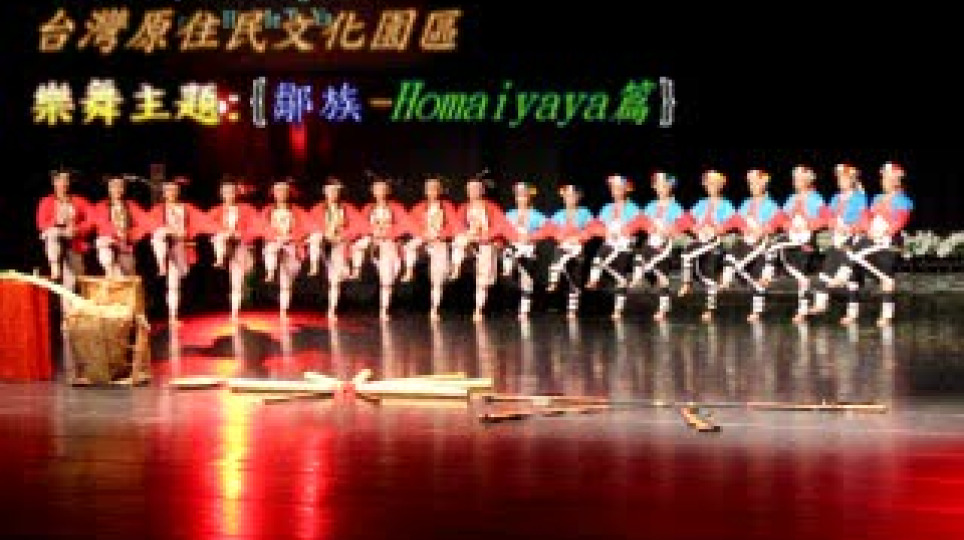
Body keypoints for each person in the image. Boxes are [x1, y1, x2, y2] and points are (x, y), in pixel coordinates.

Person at [836, 162, 913, 326]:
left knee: (886, 277)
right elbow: (866, 218)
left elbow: (900, 220)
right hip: (871, 239)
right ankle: (852, 311)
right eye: (883, 178)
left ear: (896, 181)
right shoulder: (877, 198)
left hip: (889, 241)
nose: (883, 181)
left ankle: (887, 314)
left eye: (887, 178)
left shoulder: (903, 200)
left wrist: (886, 231)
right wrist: (863, 225)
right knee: (852, 253)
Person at [762, 165, 829, 323]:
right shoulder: (791, 199)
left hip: (807, 240)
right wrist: (776, 225)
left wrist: (808, 225)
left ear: (807, 180)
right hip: (791, 238)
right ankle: (768, 272)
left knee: (800, 270)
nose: (795, 181)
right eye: (795, 179)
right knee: (773, 243)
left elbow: (826, 219)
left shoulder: (816, 198)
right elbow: (781, 217)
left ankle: (802, 310)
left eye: (799, 179)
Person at [719, 169, 785, 322]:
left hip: (761, 244)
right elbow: (736, 219)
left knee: (758, 275)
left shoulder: (771, 204)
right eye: (751, 184)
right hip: (746, 242)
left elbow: (780, 219)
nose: (752, 186)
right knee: (731, 254)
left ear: (763, 185)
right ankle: (726, 279)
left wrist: (764, 229)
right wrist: (726, 227)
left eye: (756, 183)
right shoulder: (746, 203)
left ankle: (757, 310)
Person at [807, 163, 870, 322]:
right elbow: (828, 216)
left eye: (845, 178)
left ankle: (852, 313)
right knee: (826, 270)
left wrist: (850, 228)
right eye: (839, 178)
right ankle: (820, 304)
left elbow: (864, 220)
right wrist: (830, 222)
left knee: (851, 278)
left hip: (853, 238)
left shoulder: (860, 198)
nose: (841, 181)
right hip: (837, 238)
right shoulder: (835, 198)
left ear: (852, 180)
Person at [678, 170, 738, 322]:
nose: (711, 187)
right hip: (701, 241)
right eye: (709, 184)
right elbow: (686, 219)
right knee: (690, 255)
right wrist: (695, 228)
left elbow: (733, 222)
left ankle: (708, 308)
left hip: (715, 242)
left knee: (708, 273)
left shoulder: (726, 204)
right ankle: (687, 283)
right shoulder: (701, 204)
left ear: (720, 186)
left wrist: (718, 229)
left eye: (714, 184)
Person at [630, 171, 690, 321]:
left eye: (664, 186)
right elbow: (641, 221)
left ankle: (662, 308)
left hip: (666, 245)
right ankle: (645, 279)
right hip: (651, 244)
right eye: (658, 186)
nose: (661, 189)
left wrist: (670, 230)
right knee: (652, 267)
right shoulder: (651, 206)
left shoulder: (675, 207)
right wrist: (648, 227)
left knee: (660, 272)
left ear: (670, 187)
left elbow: (683, 225)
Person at [585, 174, 647, 320]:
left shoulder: (633, 208)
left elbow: (641, 223)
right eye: (613, 188)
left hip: (624, 245)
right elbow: (597, 225)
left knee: (620, 277)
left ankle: (618, 310)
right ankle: (593, 280)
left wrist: (627, 230)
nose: (615, 191)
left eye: (619, 188)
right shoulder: (606, 208)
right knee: (599, 256)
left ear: (626, 190)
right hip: (609, 243)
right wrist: (604, 231)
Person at [348, 177, 411, 320]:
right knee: (357, 247)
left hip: (389, 242)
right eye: (376, 189)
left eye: (383, 189)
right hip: (373, 241)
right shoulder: (368, 208)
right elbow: (360, 225)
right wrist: (372, 233)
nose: (380, 192)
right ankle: (356, 270)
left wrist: (389, 233)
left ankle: (385, 306)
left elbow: (405, 224)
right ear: (373, 191)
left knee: (390, 276)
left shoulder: (396, 207)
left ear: (388, 191)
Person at [449, 176, 510, 322]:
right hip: (469, 241)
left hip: (486, 241)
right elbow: (457, 225)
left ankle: (478, 309)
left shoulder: (491, 207)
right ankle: (456, 268)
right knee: (458, 241)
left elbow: (500, 225)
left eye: (476, 188)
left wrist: (486, 237)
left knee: (482, 279)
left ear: (482, 190)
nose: (473, 191)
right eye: (470, 189)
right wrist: (467, 234)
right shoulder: (464, 207)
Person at [147, 176, 208, 321]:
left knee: (176, 281)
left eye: (174, 190)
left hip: (180, 245)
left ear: (178, 191)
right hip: (164, 244)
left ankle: (174, 314)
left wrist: (188, 234)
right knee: (159, 234)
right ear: (163, 192)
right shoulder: (158, 209)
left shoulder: (186, 208)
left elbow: (204, 221)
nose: (171, 193)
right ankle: (161, 264)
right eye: (168, 190)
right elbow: (147, 224)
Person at [402, 177, 459, 320]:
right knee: (409, 246)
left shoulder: (447, 206)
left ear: (440, 190)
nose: (432, 191)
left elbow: (454, 224)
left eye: (435, 188)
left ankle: (434, 309)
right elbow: (409, 223)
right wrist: (422, 234)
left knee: (437, 279)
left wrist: (441, 234)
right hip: (424, 237)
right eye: (429, 189)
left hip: (439, 240)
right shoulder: (419, 207)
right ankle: (409, 270)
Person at [205, 175, 260, 320]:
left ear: (236, 192)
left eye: (231, 191)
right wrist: (223, 232)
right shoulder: (215, 210)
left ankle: (235, 312)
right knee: (219, 238)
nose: (229, 195)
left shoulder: (247, 209)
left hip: (240, 244)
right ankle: (219, 259)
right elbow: (206, 225)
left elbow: (256, 226)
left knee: (237, 279)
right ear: (221, 193)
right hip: (223, 243)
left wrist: (240, 234)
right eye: (226, 192)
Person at [306, 177, 360, 320]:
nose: (333, 194)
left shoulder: (347, 208)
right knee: (315, 237)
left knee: (335, 281)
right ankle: (314, 264)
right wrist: (325, 234)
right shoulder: (318, 209)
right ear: (325, 192)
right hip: (323, 242)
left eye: (335, 191)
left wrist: (343, 236)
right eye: (330, 191)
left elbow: (358, 225)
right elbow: (309, 225)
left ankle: (331, 310)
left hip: (340, 244)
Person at [501, 181, 552, 319]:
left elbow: (548, 229)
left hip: (528, 249)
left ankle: (524, 310)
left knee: (527, 280)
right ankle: (508, 270)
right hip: (513, 247)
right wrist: (512, 236)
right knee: (508, 251)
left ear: (529, 197)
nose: (521, 199)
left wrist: (532, 236)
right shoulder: (509, 214)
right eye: (519, 196)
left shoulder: (537, 215)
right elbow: (502, 229)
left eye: (524, 196)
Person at [260, 178, 310, 317]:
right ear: (273, 193)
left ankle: (284, 307)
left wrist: (292, 236)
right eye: (278, 191)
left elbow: (307, 227)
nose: (280, 193)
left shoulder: (297, 211)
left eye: (283, 191)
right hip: (275, 242)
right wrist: (274, 237)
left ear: (288, 193)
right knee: (270, 251)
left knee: (287, 278)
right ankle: (270, 272)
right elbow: (261, 226)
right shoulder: (267, 210)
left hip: (291, 244)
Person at [36, 169, 92, 290]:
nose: (64, 183)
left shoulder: (79, 201)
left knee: (73, 282)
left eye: (66, 179)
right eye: (60, 179)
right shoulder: (46, 201)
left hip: (74, 240)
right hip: (55, 238)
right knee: (52, 233)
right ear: (54, 182)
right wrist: (56, 221)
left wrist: (78, 229)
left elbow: (92, 219)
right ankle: (54, 265)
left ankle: (68, 302)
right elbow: (41, 224)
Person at [545, 184, 595, 318]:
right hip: (563, 246)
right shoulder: (558, 214)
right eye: (567, 196)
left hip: (577, 247)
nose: (569, 199)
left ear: (578, 197)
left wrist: (580, 237)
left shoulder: (584, 212)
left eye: (572, 196)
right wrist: (559, 236)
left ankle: (572, 309)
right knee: (557, 262)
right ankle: (553, 282)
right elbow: (550, 228)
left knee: (575, 278)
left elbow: (592, 228)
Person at [92, 175, 150, 278]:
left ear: (124, 189)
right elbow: (100, 223)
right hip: (109, 242)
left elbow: (145, 223)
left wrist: (131, 235)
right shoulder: (100, 206)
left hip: (125, 245)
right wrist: (114, 233)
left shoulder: (131, 205)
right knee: (102, 244)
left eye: (120, 186)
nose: (117, 189)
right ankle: (110, 271)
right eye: (114, 186)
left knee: (128, 275)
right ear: (109, 189)